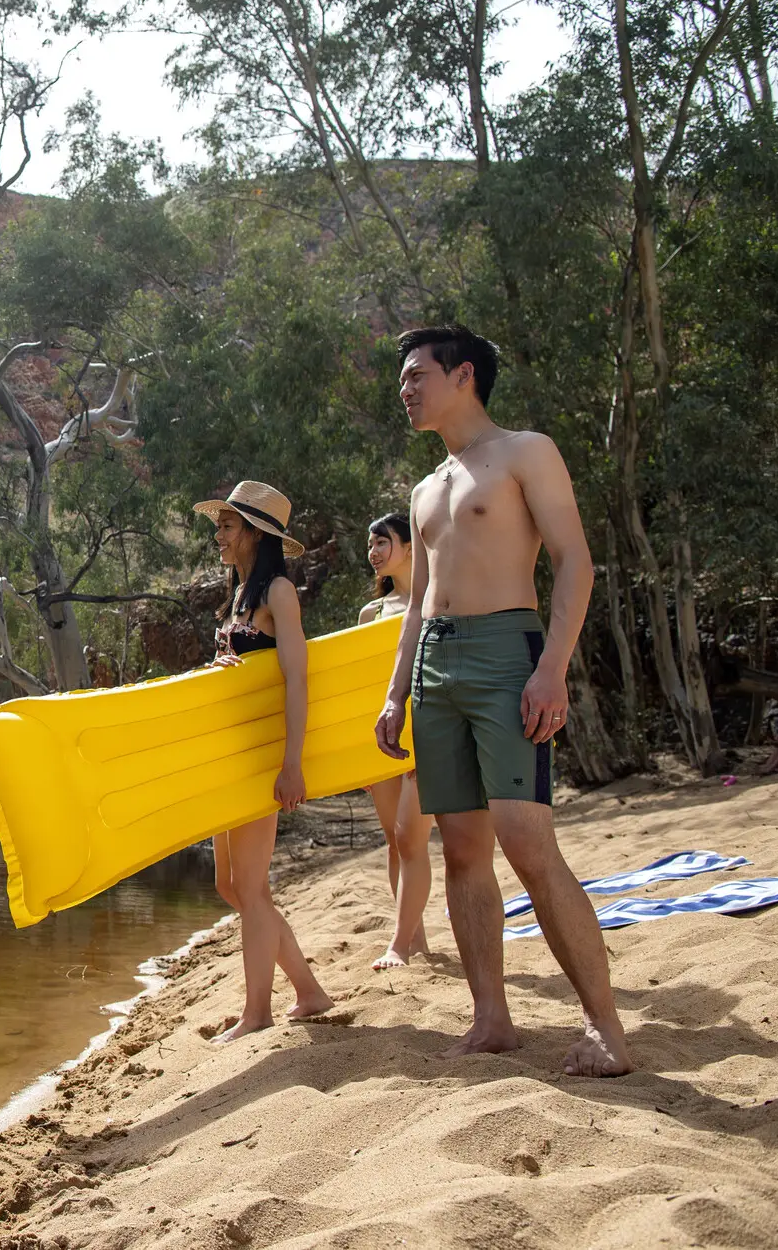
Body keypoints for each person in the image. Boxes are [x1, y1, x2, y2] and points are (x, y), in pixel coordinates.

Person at [374, 324, 632, 1077]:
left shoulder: (526, 452)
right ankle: (492, 1019)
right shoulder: (425, 490)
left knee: (526, 842)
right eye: (403, 379)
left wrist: (551, 668)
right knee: (461, 849)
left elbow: (574, 562)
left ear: (463, 377)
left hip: (506, 654)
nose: (406, 388)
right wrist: (396, 695)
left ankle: (605, 1028)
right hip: (436, 666)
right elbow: (417, 605)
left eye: (418, 374)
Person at [196, 480, 335, 1040]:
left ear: (255, 531)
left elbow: (298, 679)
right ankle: (309, 991)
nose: (219, 537)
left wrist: (293, 762)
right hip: (231, 753)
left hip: (263, 755)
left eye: (227, 526)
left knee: (250, 890)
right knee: (228, 885)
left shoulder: (279, 592)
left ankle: (257, 1014)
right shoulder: (237, 592)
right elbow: (241, 668)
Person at [357, 512, 433, 970]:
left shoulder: (434, 602)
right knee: (393, 840)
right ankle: (417, 941)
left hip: (426, 733)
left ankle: (399, 945)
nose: (374, 552)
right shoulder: (369, 614)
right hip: (381, 739)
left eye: (382, 542)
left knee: (410, 839)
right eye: (370, 544)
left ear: (408, 547)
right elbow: (364, 687)